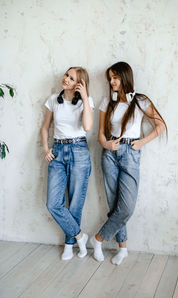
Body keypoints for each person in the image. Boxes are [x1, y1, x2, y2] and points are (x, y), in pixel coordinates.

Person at [90, 61, 167, 265]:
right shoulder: (108, 101)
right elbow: (100, 135)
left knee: (126, 207)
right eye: (110, 78)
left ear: (125, 77)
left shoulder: (140, 100)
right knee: (114, 204)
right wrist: (107, 144)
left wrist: (141, 142)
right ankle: (122, 248)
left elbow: (160, 125)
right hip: (109, 154)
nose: (112, 82)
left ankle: (98, 239)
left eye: (115, 78)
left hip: (131, 154)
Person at [40, 66, 94, 260]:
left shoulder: (86, 102)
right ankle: (80, 235)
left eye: (72, 78)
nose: (66, 79)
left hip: (79, 151)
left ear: (80, 83)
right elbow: (45, 128)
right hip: (58, 151)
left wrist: (85, 97)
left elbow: (87, 126)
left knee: (75, 204)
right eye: (66, 75)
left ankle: (69, 245)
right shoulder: (54, 100)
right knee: (53, 203)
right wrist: (46, 149)